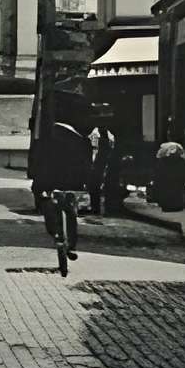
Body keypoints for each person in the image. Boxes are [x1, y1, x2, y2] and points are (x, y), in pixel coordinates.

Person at [36, 95, 94, 257]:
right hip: (72, 184)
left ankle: (57, 236)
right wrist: (85, 183)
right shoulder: (81, 140)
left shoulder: (46, 139)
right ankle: (72, 246)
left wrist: (39, 185)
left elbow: (39, 163)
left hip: (51, 183)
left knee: (50, 209)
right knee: (70, 213)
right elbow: (86, 166)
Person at [152, 132, 185, 213]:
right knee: (176, 189)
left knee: (166, 189)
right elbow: (183, 160)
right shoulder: (180, 147)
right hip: (176, 171)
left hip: (166, 171)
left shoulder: (163, 146)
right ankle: (176, 205)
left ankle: (167, 205)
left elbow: (158, 158)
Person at [88, 118, 117, 216]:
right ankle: (99, 209)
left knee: (95, 187)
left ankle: (96, 209)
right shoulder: (108, 136)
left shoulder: (96, 134)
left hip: (99, 163)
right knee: (98, 187)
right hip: (102, 163)